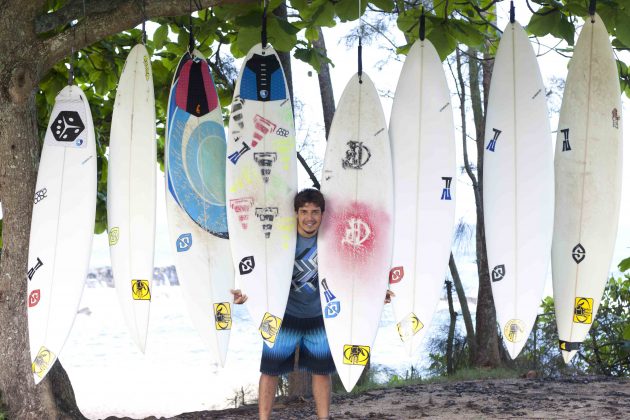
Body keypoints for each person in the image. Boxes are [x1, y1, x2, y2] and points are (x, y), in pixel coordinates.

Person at [231, 188, 394, 420]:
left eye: (315, 212)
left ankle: (323, 418)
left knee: (321, 371)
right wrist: (245, 292)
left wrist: (376, 294)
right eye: (304, 211)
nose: (310, 217)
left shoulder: (332, 244)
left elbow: (352, 273)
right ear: (296, 214)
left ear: (322, 214)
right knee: (269, 370)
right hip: (282, 316)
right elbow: (260, 271)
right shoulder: (281, 242)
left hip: (320, 317)